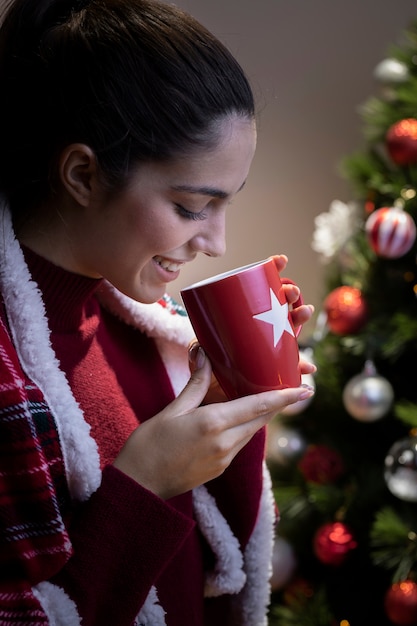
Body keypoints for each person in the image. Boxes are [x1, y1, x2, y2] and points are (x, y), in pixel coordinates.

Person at [0, 0, 316, 624]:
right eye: (194, 204)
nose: (216, 242)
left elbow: (208, 569)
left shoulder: (150, 330)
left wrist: (233, 407)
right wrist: (140, 489)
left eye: (228, 202)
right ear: (83, 175)